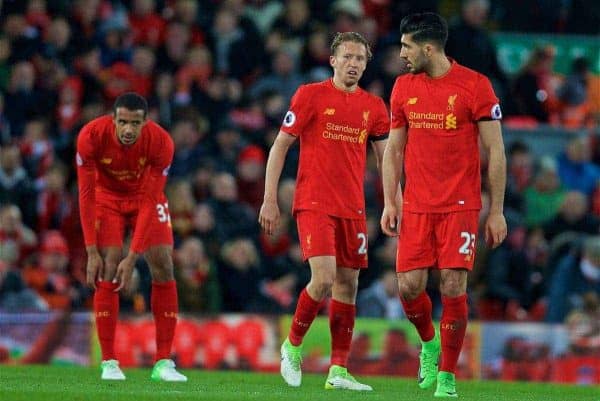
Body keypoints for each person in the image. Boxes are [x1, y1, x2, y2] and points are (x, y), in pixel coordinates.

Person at [380, 13, 507, 398]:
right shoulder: (403, 87)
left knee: (453, 284)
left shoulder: (475, 86)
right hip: (417, 203)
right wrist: (391, 200)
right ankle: (429, 344)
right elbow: (393, 150)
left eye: (406, 46)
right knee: (408, 286)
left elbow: (496, 150)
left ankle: (448, 377)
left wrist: (497, 209)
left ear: (428, 47)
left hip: (461, 204)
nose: (401, 53)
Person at [259, 31, 390, 391]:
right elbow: (279, 147)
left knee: (349, 285)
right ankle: (292, 346)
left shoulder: (375, 107)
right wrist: (270, 198)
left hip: (353, 208)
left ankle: (338, 370)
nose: (353, 64)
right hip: (314, 202)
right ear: (332, 60)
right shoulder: (310, 95)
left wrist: (393, 201)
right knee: (325, 278)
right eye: (347, 57)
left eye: (360, 59)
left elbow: (386, 160)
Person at [76, 92, 187, 382]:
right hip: (106, 199)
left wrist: (134, 255)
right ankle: (109, 362)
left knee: (162, 263)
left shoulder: (161, 143)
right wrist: (90, 251)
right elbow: (86, 194)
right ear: (112, 120)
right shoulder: (91, 136)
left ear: (145, 122)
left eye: (134, 123)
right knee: (108, 266)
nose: (128, 129)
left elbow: (151, 200)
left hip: (143, 199)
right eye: (122, 122)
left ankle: (163, 362)